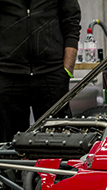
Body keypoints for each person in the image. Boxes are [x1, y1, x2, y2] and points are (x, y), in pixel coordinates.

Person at [0, 0, 81, 143]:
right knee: (8, 146)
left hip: (51, 74)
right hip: (8, 74)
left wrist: (67, 70)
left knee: (57, 143)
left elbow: (71, 23)